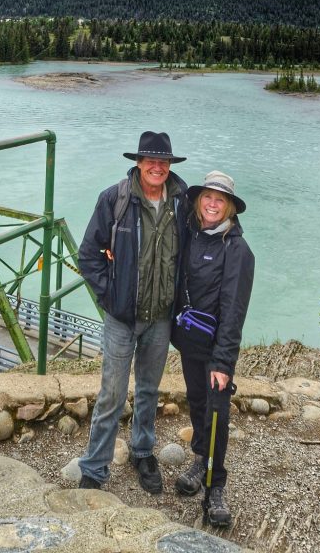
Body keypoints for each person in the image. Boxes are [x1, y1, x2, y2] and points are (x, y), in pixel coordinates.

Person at [77, 130, 188, 492]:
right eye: (150, 160)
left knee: (148, 390)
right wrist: (109, 298)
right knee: (111, 393)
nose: (157, 167)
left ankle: (142, 451)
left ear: (170, 166)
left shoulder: (181, 203)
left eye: (163, 161)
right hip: (122, 318)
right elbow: (88, 254)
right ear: (138, 163)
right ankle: (94, 469)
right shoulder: (115, 199)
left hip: (160, 317)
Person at [172, 170, 254, 527]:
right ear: (197, 200)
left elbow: (234, 309)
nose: (212, 203)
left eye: (220, 199)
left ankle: (215, 486)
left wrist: (223, 361)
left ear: (231, 208)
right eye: (207, 196)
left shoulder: (237, 250)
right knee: (198, 403)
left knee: (217, 414)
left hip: (216, 351)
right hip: (191, 341)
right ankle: (199, 458)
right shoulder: (191, 234)